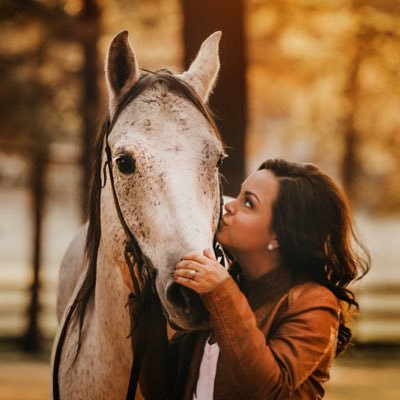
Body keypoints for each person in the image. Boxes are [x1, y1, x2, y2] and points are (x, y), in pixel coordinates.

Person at [139, 158, 370, 400]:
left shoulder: (312, 304)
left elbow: (270, 390)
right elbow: (162, 391)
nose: (227, 206)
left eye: (248, 203)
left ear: (280, 235)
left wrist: (221, 294)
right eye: (238, 195)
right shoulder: (222, 289)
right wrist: (147, 301)